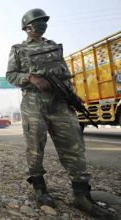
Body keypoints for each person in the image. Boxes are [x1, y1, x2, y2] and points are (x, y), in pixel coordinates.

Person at [6, 8, 117, 219]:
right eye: (38, 22)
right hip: (34, 104)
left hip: (60, 102)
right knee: (35, 146)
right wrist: (31, 78)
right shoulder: (18, 49)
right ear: (27, 26)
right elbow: (10, 75)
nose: (42, 25)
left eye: (44, 21)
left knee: (74, 145)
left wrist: (73, 95)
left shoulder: (53, 47)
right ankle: (39, 187)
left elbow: (65, 73)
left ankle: (82, 194)